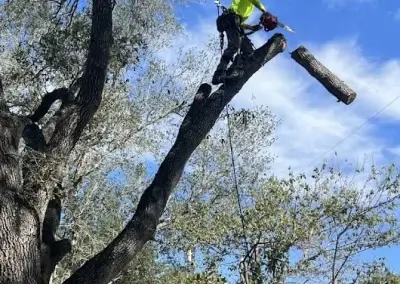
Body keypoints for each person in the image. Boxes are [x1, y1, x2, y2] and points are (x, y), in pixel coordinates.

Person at [212, 0, 273, 85]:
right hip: (230, 19)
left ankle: (232, 73)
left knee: (248, 50)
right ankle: (218, 74)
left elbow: (241, 24)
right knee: (234, 46)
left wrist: (251, 27)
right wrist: (265, 12)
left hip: (234, 22)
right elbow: (255, 1)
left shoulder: (248, 7)